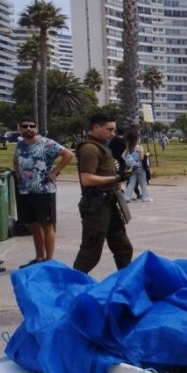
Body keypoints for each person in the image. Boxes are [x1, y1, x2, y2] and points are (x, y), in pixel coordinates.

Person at [73, 114, 134, 274]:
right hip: (97, 205)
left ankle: (126, 285)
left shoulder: (101, 146)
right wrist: (116, 178)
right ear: (95, 128)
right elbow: (87, 179)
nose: (112, 133)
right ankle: (73, 287)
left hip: (110, 204)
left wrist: (120, 174)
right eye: (109, 129)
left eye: (113, 129)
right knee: (90, 252)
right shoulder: (89, 149)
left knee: (123, 249)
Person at [12, 115, 73, 268]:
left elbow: (68, 155)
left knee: (47, 225)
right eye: (25, 126)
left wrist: (55, 172)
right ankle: (39, 257)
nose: (28, 129)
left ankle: (49, 261)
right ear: (20, 128)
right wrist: (19, 176)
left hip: (44, 191)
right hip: (26, 191)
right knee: (34, 225)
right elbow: (15, 161)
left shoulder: (47, 143)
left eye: (31, 126)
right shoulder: (20, 145)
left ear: (36, 128)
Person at [123, 129, 152, 203]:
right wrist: (147, 154)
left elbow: (123, 155)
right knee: (143, 182)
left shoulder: (128, 147)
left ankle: (127, 197)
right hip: (140, 167)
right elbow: (142, 158)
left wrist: (130, 161)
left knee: (131, 182)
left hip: (132, 168)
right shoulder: (139, 147)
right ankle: (146, 197)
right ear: (137, 139)